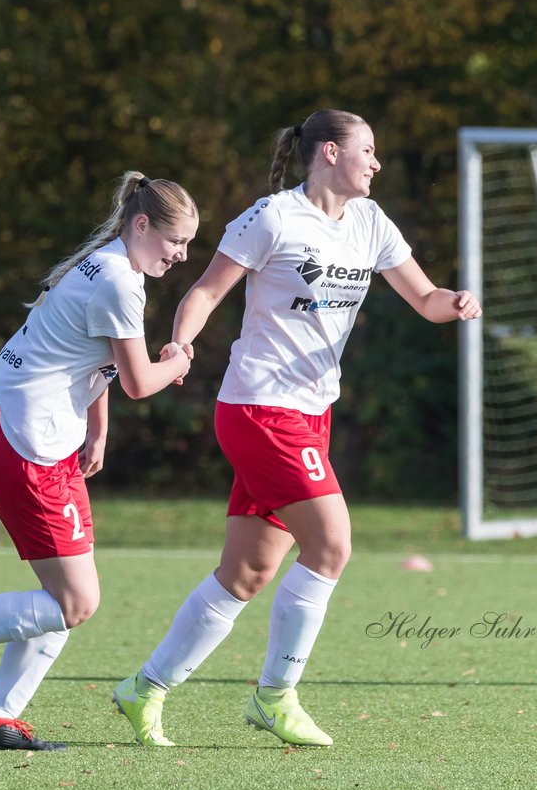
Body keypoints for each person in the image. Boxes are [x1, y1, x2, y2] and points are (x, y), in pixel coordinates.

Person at [112, 109, 483, 747]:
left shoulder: (370, 223)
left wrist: (453, 303)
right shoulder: (273, 217)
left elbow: (424, 299)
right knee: (332, 545)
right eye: (368, 150)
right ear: (330, 153)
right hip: (259, 408)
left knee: (248, 573)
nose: (377, 163)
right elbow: (203, 292)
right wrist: (178, 350)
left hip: (311, 413)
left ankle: (145, 687)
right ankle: (275, 697)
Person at [0, 171, 198, 751]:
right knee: (77, 602)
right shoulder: (117, 281)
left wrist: (98, 433)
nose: (180, 256)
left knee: (64, 604)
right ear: (141, 225)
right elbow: (136, 380)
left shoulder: (113, 264)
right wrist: (178, 362)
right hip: (30, 452)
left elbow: (94, 364)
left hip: (34, 443)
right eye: (175, 242)